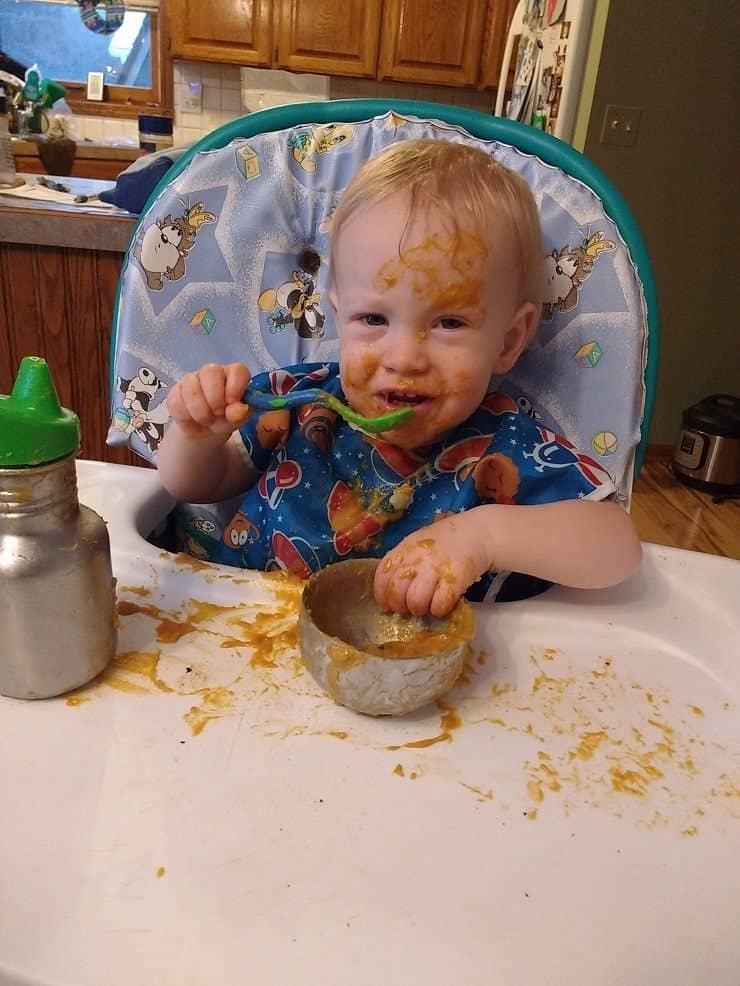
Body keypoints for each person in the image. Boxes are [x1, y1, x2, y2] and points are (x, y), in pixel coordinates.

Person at [157, 139, 641, 617]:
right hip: (241, 642)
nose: (404, 357)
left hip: (417, 677)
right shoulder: (295, 404)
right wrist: (197, 436)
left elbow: (617, 545)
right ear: (338, 314)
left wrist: (484, 536)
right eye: (373, 320)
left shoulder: (507, 453)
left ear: (509, 342)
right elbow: (195, 485)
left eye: (450, 323)